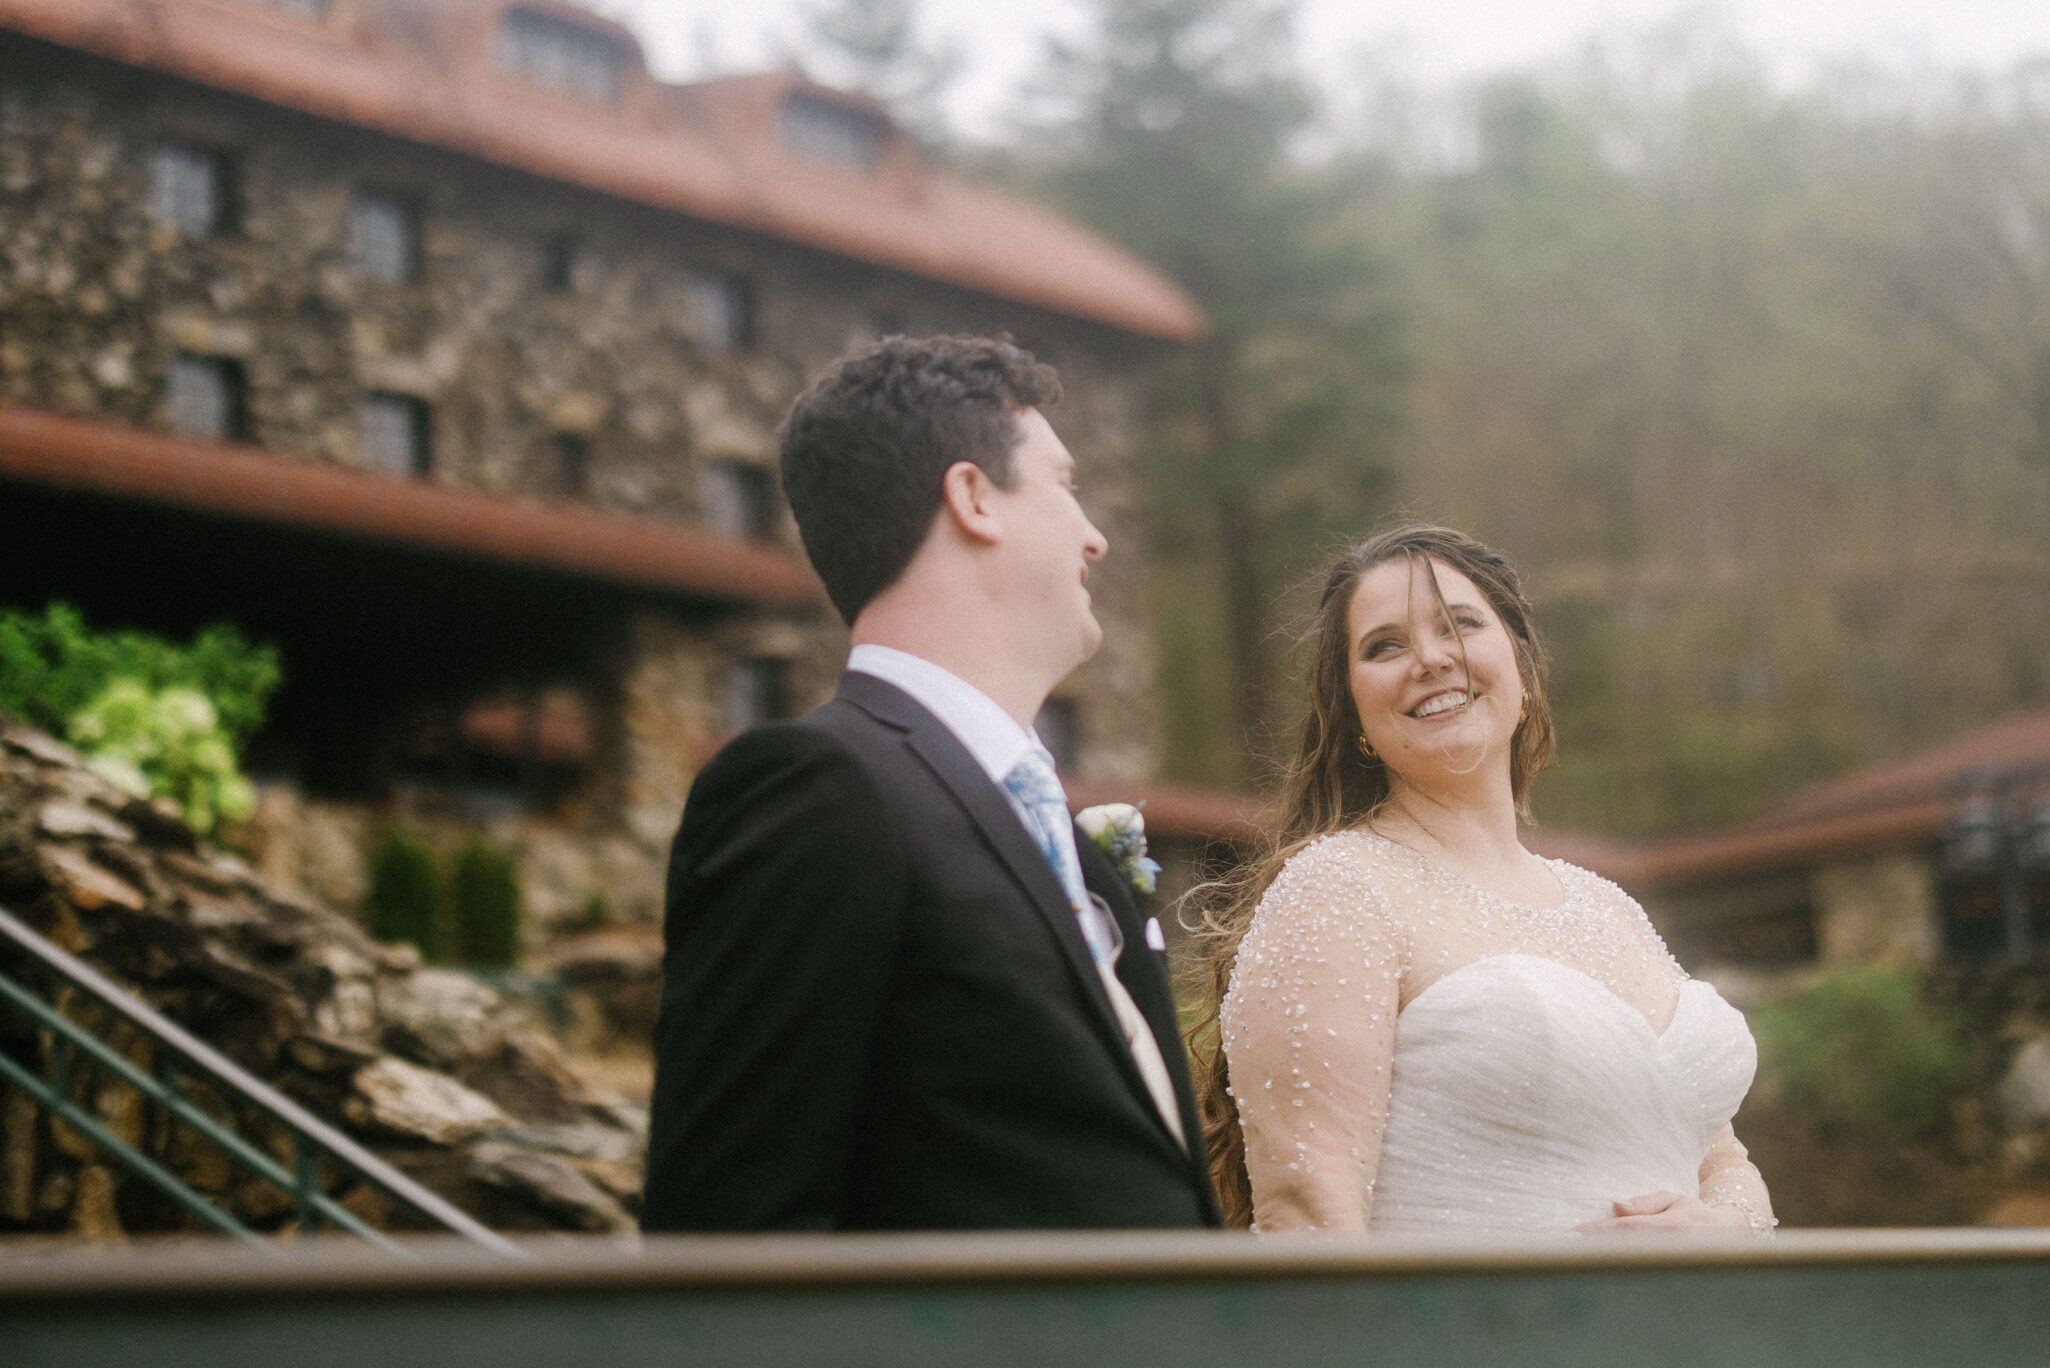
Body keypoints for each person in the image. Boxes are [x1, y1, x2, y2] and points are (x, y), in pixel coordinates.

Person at [641, 335, 1220, 1232]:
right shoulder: (819, 791)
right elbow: (730, 1236)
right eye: (1065, 486)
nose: (1096, 537)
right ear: (973, 497)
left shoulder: (1069, 844)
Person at [1192, 525, 1774, 1237]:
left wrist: (1728, 1227)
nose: (1431, 659)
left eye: (1460, 625)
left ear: (1523, 672)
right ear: (1355, 718)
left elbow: (1721, 1157)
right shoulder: (1337, 891)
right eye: (1385, 646)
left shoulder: (1610, 906)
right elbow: (1310, 1217)